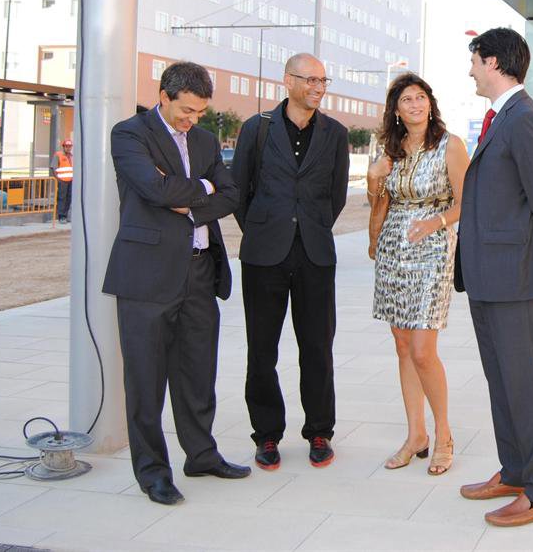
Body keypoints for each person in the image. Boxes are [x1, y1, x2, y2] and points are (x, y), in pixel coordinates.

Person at [102, 61, 247, 506]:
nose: (193, 120)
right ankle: (153, 473)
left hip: (200, 272)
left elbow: (231, 193)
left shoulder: (204, 140)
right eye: (186, 110)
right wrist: (202, 187)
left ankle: (201, 455)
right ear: (163, 96)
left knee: (198, 373)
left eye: (200, 112)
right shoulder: (129, 134)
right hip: (146, 276)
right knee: (146, 382)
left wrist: (193, 200)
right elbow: (155, 190)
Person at [456, 27, 533, 529]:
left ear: (494, 62)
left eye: (475, 61)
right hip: (487, 275)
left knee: (527, 385)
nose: (471, 70)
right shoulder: (501, 117)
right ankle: (517, 472)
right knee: (502, 382)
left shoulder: (525, 119)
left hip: (514, 276)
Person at [231, 53, 350, 471]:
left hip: (315, 254)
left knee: (317, 347)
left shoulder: (335, 133)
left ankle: (319, 430)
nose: (318, 88)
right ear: (288, 81)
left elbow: (336, 195)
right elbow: (239, 191)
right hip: (264, 255)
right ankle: (266, 434)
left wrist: (310, 227)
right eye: (310, 80)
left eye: (323, 80)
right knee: (262, 349)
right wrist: (265, 228)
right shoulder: (257, 128)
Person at [367, 73, 470, 476]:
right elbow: (378, 202)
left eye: (421, 97)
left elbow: (468, 200)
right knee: (403, 345)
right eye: (407, 99)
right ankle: (416, 435)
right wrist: (374, 177)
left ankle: (444, 435)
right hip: (393, 247)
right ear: (396, 109)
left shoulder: (450, 145)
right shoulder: (390, 150)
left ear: (430, 103)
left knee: (424, 350)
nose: (415, 104)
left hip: (432, 248)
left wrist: (435, 222)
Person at [51, 139, 74, 223]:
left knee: (69, 198)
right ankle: (61, 216)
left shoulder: (72, 156)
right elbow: (53, 168)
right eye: (66, 146)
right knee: (62, 198)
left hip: (71, 181)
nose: (68, 148)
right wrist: (58, 179)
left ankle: (65, 215)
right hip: (62, 181)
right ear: (63, 147)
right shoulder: (58, 155)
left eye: (70, 146)